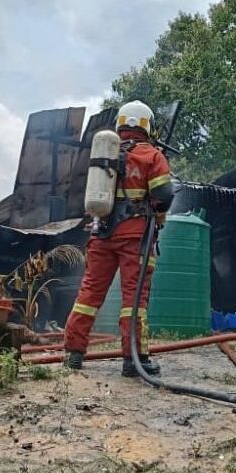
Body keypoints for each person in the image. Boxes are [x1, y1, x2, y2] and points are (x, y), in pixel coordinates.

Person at [63, 100, 174, 377]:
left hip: (101, 234)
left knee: (89, 294)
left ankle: (73, 353)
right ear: (147, 125)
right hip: (135, 237)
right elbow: (164, 196)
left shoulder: (106, 154)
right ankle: (133, 359)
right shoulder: (152, 156)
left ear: (121, 124)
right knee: (134, 299)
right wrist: (157, 212)